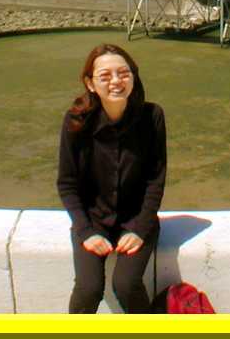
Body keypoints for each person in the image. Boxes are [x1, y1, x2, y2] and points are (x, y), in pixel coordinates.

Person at [57, 44, 167, 314]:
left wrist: (140, 229)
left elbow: (156, 180)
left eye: (123, 73)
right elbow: (67, 183)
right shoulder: (76, 122)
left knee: (127, 284)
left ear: (133, 76)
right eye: (105, 76)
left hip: (136, 219)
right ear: (90, 83)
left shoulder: (152, 117)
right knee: (88, 288)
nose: (116, 81)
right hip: (93, 219)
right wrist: (85, 231)